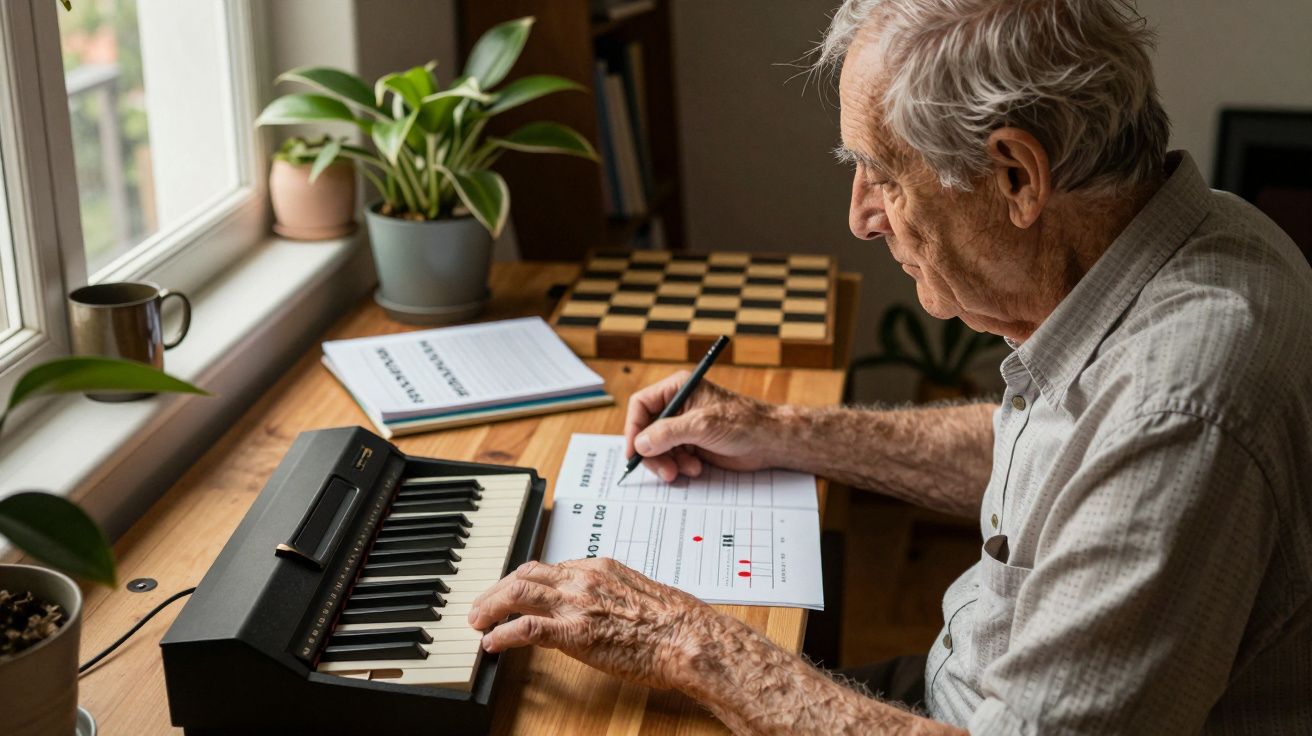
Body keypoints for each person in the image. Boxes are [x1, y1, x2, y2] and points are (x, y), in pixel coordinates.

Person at [468, 0, 1312, 732]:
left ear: (1017, 173)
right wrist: (784, 430)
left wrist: (684, 641)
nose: (861, 217)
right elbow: (1070, 463)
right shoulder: (1195, 240)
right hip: (951, 691)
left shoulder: (1184, 406)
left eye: (880, 172)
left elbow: (1132, 445)